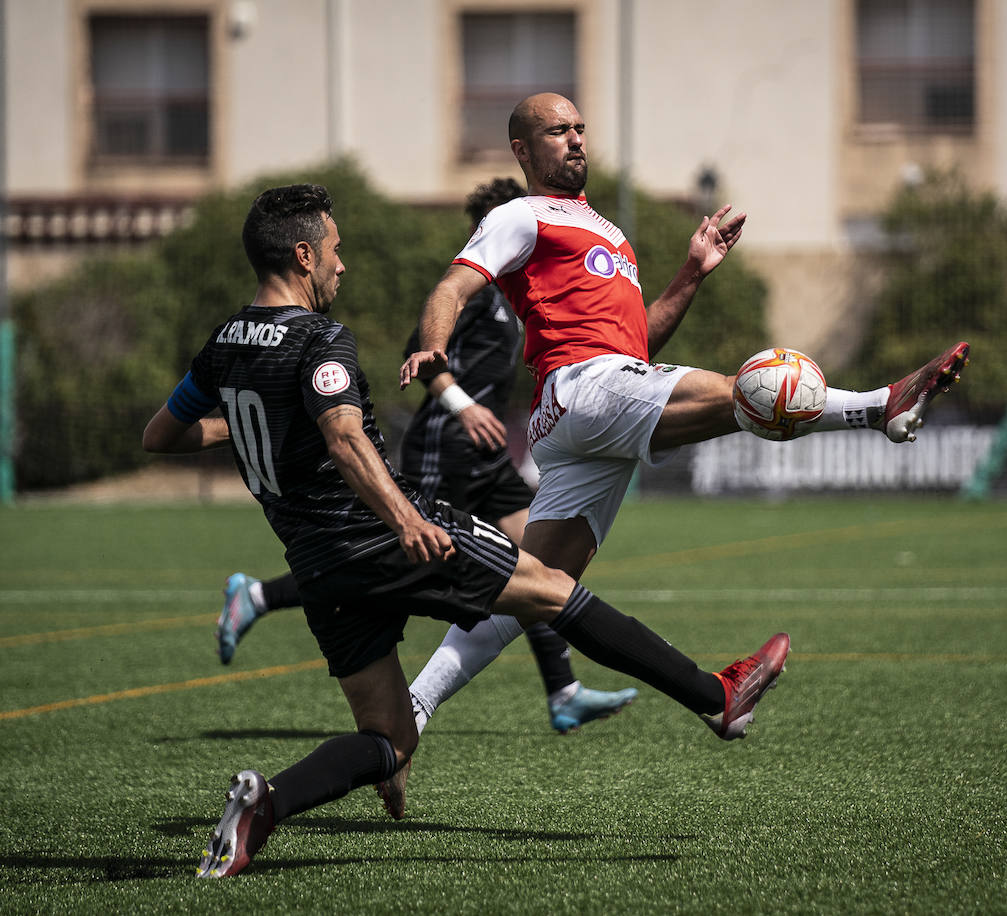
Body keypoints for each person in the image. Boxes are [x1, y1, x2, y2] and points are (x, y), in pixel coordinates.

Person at [143, 184, 789, 878]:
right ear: (302, 255)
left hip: (318, 563)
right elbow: (343, 437)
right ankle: (718, 699)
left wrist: (253, 432)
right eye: (335, 250)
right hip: (380, 533)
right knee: (553, 588)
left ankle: (264, 807)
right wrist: (407, 519)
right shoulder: (320, 338)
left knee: (389, 739)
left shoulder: (224, 344)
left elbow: (162, 434)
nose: (342, 265)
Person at [398, 92, 968, 700]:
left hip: (582, 410)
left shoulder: (609, 233)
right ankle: (883, 406)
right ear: (522, 149)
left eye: (580, 128)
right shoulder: (520, 215)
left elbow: (635, 345)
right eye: (558, 130)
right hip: (580, 387)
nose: (576, 139)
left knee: (531, 591)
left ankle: (413, 708)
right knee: (751, 390)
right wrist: (434, 346)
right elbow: (452, 288)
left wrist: (692, 272)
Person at [212, 178, 638, 741]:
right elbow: (423, 346)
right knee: (410, 556)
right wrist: (461, 406)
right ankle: (260, 595)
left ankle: (562, 692)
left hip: (485, 456)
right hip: (447, 446)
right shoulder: (476, 291)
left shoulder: (524, 292)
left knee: (539, 568)